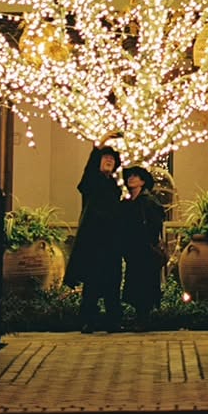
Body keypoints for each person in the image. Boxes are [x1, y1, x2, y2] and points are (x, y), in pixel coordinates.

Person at [66, 142, 124, 332]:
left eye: (112, 159)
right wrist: (98, 147)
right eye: (105, 158)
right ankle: (88, 320)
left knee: (113, 282)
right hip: (94, 241)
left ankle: (113, 321)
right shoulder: (91, 182)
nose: (109, 160)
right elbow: (88, 172)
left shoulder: (115, 186)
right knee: (92, 281)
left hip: (112, 241)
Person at [120, 164, 166, 329]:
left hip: (145, 250)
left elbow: (155, 224)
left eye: (136, 176)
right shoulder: (130, 203)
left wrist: (147, 240)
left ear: (143, 181)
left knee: (144, 284)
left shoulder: (148, 201)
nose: (131, 178)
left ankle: (143, 318)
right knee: (136, 283)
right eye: (129, 176)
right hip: (134, 250)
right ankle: (140, 317)